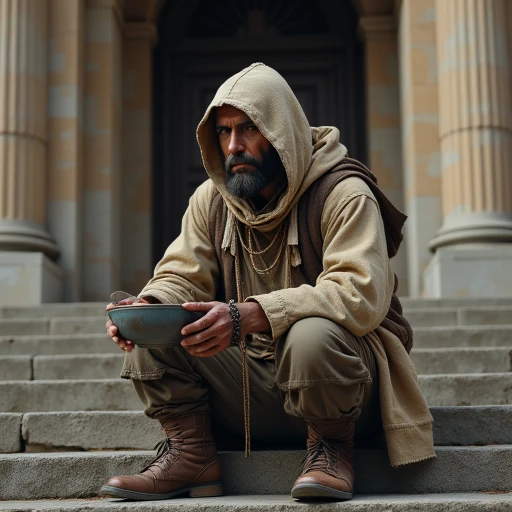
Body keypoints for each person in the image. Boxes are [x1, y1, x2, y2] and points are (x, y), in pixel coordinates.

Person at [101, 63, 435, 502]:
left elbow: (361, 294)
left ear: (280, 131)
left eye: (248, 129)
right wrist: (149, 306)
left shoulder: (344, 192)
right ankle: (192, 455)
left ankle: (331, 450)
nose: (234, 146)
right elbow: (181, 274)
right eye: (223, 133)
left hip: (347, 391)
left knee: (310, 336)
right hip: (249, 388)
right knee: (157, 331)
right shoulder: (211, 200)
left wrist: (250, 315)